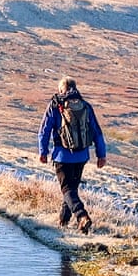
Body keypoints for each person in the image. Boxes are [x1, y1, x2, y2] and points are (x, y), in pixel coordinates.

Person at [39, 76, 107, 234]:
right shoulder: (85, 106)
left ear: (61, 90)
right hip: (81, 156)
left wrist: (43, 152)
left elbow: (44, 130)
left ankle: (82, 216)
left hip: (62, 156)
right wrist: (101, 155)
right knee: (72, 190)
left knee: (67, 189)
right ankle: (64, 221)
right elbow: (97, 132)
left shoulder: (55, 106)